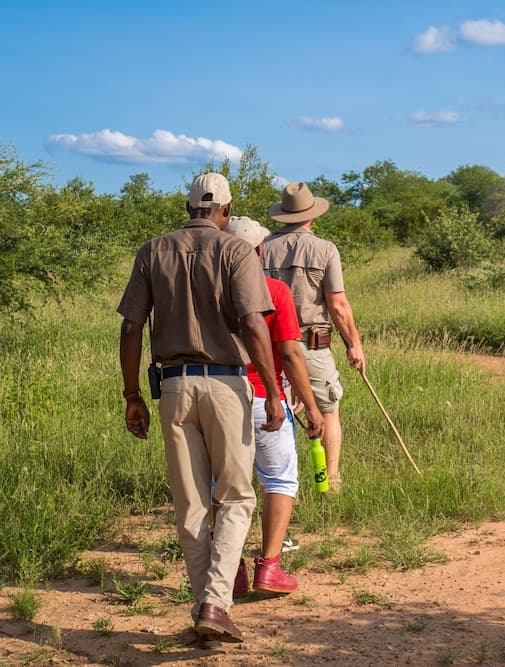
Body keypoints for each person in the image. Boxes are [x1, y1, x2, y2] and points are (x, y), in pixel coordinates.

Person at [118, 173, 283, 646]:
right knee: (235, 496)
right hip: (227, 386)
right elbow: (253, 322)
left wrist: (132, 395)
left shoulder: (153, 251)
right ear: (226, 211)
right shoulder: (234, 250)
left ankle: (204, 611)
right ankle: (215, 603)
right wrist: (272, 389)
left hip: (173, 388)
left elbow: (132, 328)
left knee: (190, 505)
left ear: (187, 207)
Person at [224, 216, 323, 593]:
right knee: (279, 479)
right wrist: (311, 406)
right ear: (260, 250)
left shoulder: (209, 293)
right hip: (266, 399)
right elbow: (290, 354)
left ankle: (230, 572)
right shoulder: (274, 291)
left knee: (224, 485)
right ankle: (270, 566)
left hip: (223, 399)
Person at [262, 182, 365, 492]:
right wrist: (354, 344)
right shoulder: (324, 249)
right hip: (311, 344)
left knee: (277, 414)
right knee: (328, 412)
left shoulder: (261, 247)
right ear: (311, 216)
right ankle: (330, 483)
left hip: (270, 346)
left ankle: (280, 484)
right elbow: (338, 305)